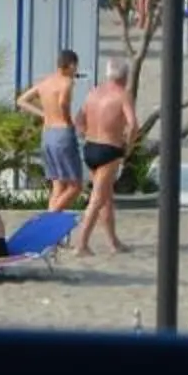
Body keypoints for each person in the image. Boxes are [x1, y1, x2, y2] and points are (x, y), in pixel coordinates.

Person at [68, 54, 138, 257]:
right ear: (125, 77)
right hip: (109, 149)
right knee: (98, 199)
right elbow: (133, 124)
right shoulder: (123, 95)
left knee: (106, 197)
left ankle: (113, 242)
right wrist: (128, 146)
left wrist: (85, 133)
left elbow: (78, 119)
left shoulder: (94, 92)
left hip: (90, 147)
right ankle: (81, 244)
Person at [18, 48, 85, 211]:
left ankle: (52, 232)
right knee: (76, 186)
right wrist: (68, 120)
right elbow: (63, 103)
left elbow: (22, 100)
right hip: (62, 133)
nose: (76, 70)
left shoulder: (45, 82)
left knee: (58, 185)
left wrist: (43, 114)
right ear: (71, 65)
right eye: (75, 67)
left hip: (47, 134)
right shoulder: (67, 82)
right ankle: (50, 217)